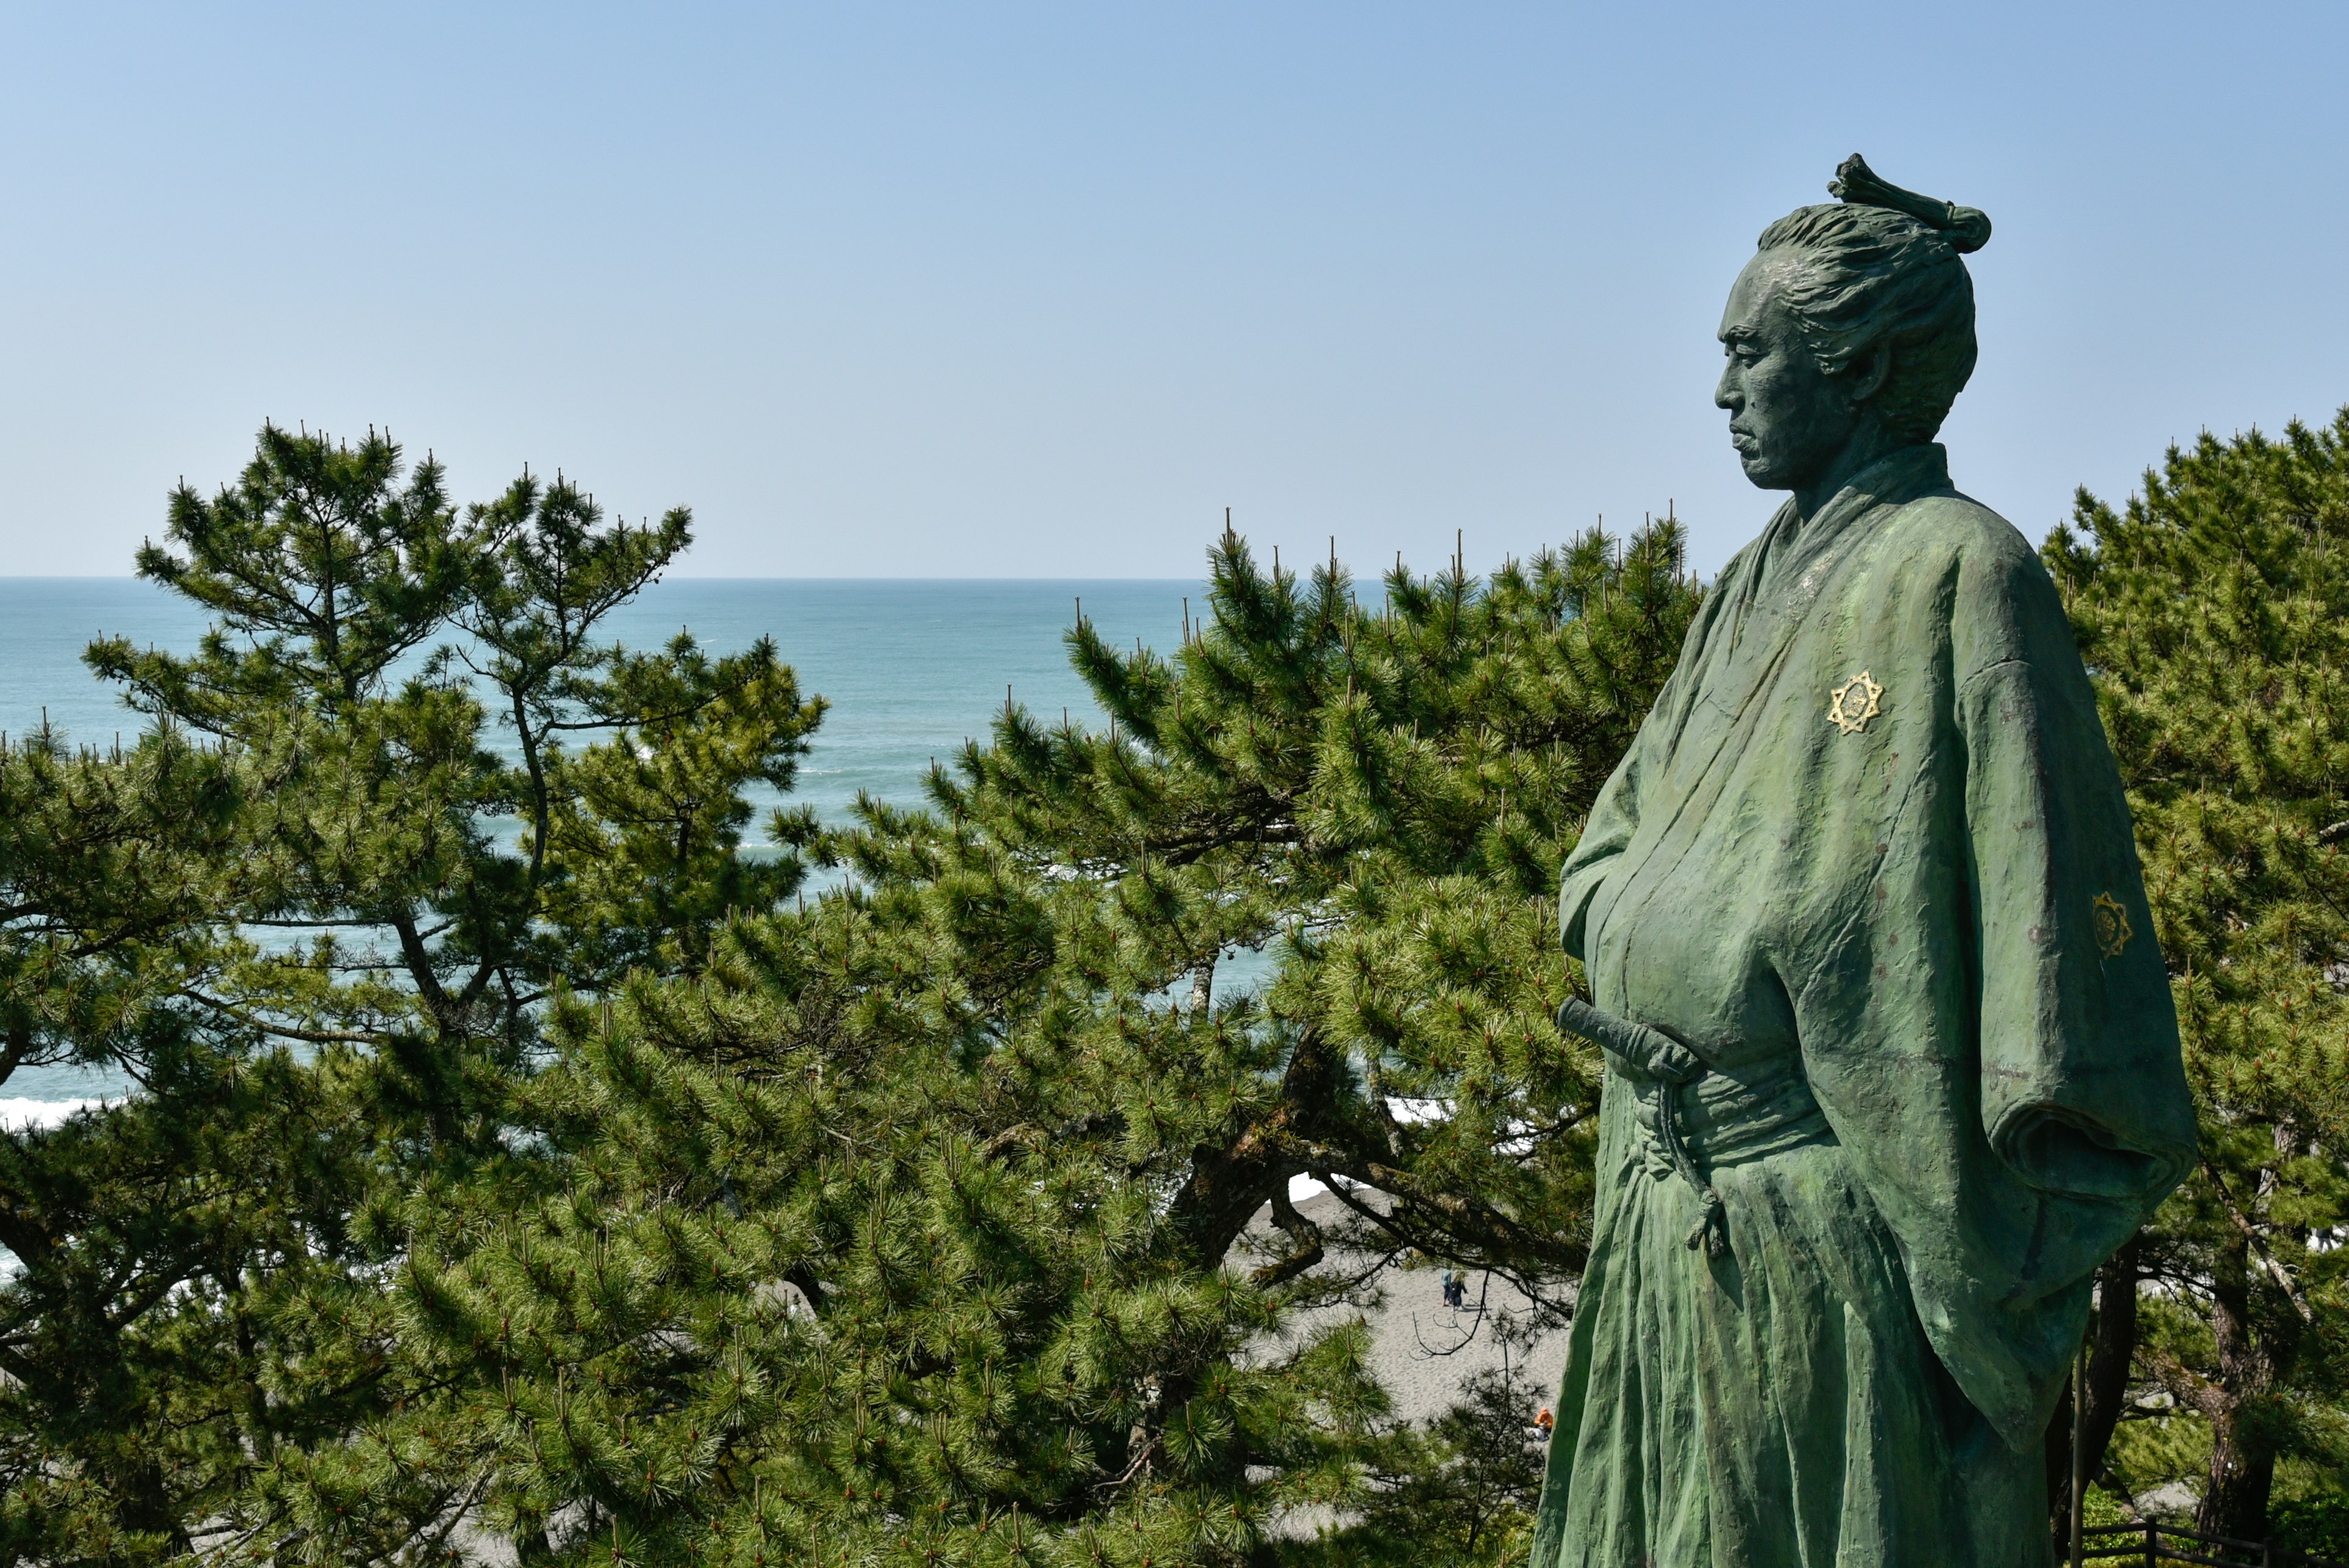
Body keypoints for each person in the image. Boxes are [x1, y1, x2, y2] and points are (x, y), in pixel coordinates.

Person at [1528, 157, 2195, 1567]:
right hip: (1664, 1200)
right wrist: (1658, 921)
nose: (1721, 392)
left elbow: (2050, 941)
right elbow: (1608, 842)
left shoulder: (1965, 574)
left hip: (1830, 1235)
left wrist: (1768, 932)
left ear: (1862, 362)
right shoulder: (1752, 579)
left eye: (1746, 352)